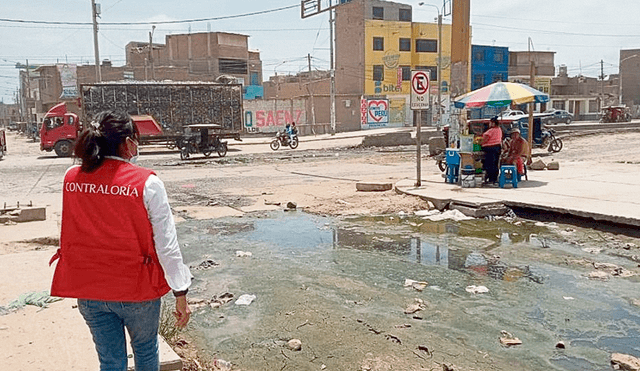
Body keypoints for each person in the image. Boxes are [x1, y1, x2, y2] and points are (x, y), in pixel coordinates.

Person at [49, 110, 192, 371]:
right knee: (146, 350)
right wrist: (180, 291)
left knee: (110, 361)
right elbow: (166, 244)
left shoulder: (71, 178)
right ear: (128, 143)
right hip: (136, 291)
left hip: (88, 288)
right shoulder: (147, 183)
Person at [481, 116, 503, 184]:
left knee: (490, 163)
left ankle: (490, 179)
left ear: (493, 123)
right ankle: (494, 178)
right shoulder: (499, 129)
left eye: (490, 123)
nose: (489, 124)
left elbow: (485, 139)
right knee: (495, 163)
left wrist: (480, 143)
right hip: (497, 147)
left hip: (490, 148)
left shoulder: (491, 130)